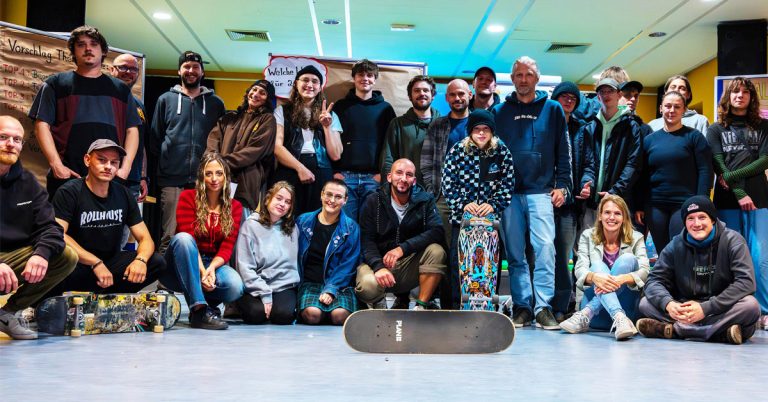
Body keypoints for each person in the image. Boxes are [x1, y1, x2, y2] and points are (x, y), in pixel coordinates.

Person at [493, 56, 572, 329]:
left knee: (545, 250)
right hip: (509, 194)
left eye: (528, 74)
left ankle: (543, 306)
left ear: (537, 78)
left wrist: (563, 185)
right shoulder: (499, 112)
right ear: (512, 79)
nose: (523, 79)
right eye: (518, 75)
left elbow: (564, 151)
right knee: (515, 255)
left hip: (541, 192)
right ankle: (522, 306)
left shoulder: (552, 109)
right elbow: (492, 155)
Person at [29, 25, 140, 198]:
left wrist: (125, 168)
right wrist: (56, 164)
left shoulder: (121, 90)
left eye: (94, 44)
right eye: (81, 44)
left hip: (110, 179)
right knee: (60, 225)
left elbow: (132, 130)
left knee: (108, 225)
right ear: (73, 52)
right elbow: (41, 125)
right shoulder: (56, 84)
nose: (88, 48)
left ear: (103, 51)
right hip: (67, 176)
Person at [637, 196, 761, 344]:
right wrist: (669, 304)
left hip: (718, 308)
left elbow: (746, 282)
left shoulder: (733, 240)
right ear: (684, 222)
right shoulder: (675, 244)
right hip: (685, 308)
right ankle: (718, 333)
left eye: (702, 217)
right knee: (645, 303)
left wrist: (705, 308)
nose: (696, 224)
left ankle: (677, 331)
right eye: (690, 218)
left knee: (750, 306)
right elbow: (653, 280)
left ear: (713, 220)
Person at [50, 139, 165, 295]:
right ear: (87, 160)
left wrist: (141, 260)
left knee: (156, 262)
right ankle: (49, 305)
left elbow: (145, 238)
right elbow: (59, 234)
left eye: (114, 162)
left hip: (110, 265)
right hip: (76, 264)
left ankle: (109, 300)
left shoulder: (123, 193)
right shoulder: (69, 192)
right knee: (49, 263)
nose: (108, 167)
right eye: (102, 160)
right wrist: (94, 262)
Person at [0, 116, 77, 340]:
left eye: (17, 139)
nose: (10, 144)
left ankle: (6, 313)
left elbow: (50, 228)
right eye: (3, 137)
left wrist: (41, 255)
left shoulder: (29, 183)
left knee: (65, 256)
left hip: (12, 259)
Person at [706, 77, 768, 329]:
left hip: (761, 200)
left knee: (759, 257)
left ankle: (763, 309)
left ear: (752, 97)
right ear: (728, 96)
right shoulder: (715, 128)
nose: (740, 95)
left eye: (745, 92)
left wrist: (731, 178)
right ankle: (735, 307)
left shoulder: (764, 126)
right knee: (730, 257)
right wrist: (739, 192)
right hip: (727, 201)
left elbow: (764, 161)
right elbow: (718, 162)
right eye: (735, 91)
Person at [151, 51, 226, 252]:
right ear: (179, 70)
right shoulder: (165, 99)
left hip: (205, 181)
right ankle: (164, 281)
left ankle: (198, 277)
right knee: (169, 234)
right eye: (187, 67)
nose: (191, 71)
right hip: (171, 179)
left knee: (203, 233)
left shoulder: (216, 103)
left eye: (195, 67)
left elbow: (222, 140)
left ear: (202, 71)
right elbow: (155, 139)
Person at [161, 152, 244, 330]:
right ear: (201, 176)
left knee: (235, 286)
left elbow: (227, 246)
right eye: (208, 173)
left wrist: (211, 269)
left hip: (211, 262)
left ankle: (209, 306)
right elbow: (186, 235)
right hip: (181, 263)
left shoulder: (235, 206)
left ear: (226, 176)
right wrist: (202, 271)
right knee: (183, 239)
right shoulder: (187, 197)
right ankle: (199, 310)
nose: (214, 179)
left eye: (219, 173)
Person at [441, 109, 515, 308]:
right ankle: (458, 306)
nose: (481, 133)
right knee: (461, 265)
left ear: (492, 131)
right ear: (470, 131)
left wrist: (492, 205)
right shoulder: (458, 151)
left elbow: (507, 184)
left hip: (490, 223)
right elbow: (448, 184)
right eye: (476, 129)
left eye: (486, 129)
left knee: (491, 265)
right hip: (463, 221)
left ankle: (489, 306)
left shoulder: (501, 152)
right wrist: (464, 204)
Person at [356, 159, 447, 310]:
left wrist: (402, 249)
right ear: (389, 177)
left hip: (408, 265)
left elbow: (437, 231)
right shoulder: (373, 201)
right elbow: (367, 241)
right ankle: (379, 304)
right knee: (368, 286)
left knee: (436, 251)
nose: (404, 179)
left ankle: (421, 306)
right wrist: (378, 267)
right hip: (379, 263)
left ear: (414, 180)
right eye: (399, 173)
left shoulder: (425, 200)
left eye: (409, 174)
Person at [559, 195, 650, 340]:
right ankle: (617, 315)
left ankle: (592, 311)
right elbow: (580, 269)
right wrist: (594, 277)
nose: (611, 217)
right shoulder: (587, 236)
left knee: (627, 259)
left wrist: (622, 279)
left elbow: (645, 270)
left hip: (623, 309)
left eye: (617, 213)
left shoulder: (637, 237)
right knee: (597, 266)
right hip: (596, 319)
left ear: (624, 217)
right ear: (600, 215)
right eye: (607, 212)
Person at [635, 91, 713, 253]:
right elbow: (642, 175)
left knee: (680, 249)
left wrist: (701, 202)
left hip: (685, 203)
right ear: (661, 108)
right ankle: (667, 279)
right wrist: (639, 205)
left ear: (684, 110)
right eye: (668, 106)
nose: (672, 110)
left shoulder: (694, 137)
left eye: (677, 107)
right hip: (655, 205)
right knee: (662, 251)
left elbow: (705, 171)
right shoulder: (649, 140)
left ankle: (683, 279)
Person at [272, 66, 343, 216]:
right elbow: (277, 147)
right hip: (289, 169)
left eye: (315, 81)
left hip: (321, 171)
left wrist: (327, 127)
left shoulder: (331, 115)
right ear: (296, 84)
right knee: (286, 218)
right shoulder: (281, 111)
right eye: (305, 80)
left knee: (316, 219)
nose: (310, 85)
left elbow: (336, 155)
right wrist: (300, 168)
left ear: (320, 87)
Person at [333, 59, 397, 221]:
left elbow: (391, 144)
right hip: (345, 177)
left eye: (370, 75)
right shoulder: (341, 107)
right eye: (361, 75)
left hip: (373, 179)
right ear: (354, 78)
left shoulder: (386, 109)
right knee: (346, 225)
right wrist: (335, 171)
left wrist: (382, 174)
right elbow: (331, 139)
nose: (365, 79)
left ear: (375, 79)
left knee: (371, 226)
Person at [577, 78, 643, 229]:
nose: (606, 95)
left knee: (615, 250)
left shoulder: (631, 127)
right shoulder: (589, 128)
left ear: (619, 95)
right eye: (602, 91)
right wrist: (586, 185)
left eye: (610, 91)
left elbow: (633, 165)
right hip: (592, 203)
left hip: (618, 203)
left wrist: (614, 192)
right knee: (590, 248)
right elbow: (588, 164)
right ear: (598, 97)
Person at [207, 80, 277, 214]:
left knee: (239, 228)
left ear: (268, 99)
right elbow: (213, 140)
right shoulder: (229, 117)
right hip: (218, 178)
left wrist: (222, 163)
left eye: (262, 93)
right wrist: (212, 162)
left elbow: (255, 150)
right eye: (254, 90)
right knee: (214, 222)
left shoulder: (267, 120)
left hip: (245, 182)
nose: (256, 94)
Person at [296, 179, 360, 325]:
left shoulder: (351, 228)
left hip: (340, 284)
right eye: (328, 195)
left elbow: (348, 265)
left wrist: (331, 289)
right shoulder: (303, 221)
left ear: (345, 200)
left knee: (340, 316)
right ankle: (321, 310)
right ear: (321, 195)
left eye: (338, 197)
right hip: (310, 282)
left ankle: (331, 310)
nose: (332, 200)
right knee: (312, 315)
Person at [236, 181, 300, 324]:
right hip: (255, 284)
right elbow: (245, 266)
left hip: (283, 285)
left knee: (283, 316)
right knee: (255, 315)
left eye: (287, 202)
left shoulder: (292, 228)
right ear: (267, 199)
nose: (282, 204)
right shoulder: (250, 225)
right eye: (278, 198)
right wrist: (264, 293)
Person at [550, 81, 588, 320]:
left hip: (570, 204)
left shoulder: (582, 129)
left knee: (564, 256)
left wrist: (586, 182)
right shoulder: (545, 124)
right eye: (563, 96)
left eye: (572, 98)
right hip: (543, 199)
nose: (568, 100)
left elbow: (588, 161)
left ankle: (562, 305)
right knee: (540, 254)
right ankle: (538, 303)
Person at [421, 79, 473, 247]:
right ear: (447, 99)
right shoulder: (437, 125)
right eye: (452, 94)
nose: (457, 98)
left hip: (473, 198)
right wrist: (432, 191)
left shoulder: (480, 124)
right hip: (443, 197)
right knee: (444, 245)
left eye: (461, 93)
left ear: (470, 95)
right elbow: (426, 161)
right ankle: (449, 275)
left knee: (470, 246)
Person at [380, 75, 440, 181]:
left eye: (425, 90)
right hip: (406, 190)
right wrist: (388, 186)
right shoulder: (397, 124)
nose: (422, 93)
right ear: (410, 96)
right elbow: (388, 159)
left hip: (437, 190)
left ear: (433, 95)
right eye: (417, 90)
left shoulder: (444, 124)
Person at [109, 53, 148, 203]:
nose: (128, 72)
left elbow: (142, 144)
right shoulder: (102, 99)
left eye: (133, 69)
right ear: (112, 70)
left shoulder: (139, 105)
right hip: (106, 177)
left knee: (125, 226)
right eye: (123, 67)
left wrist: (143, 176)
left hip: (132, 181)